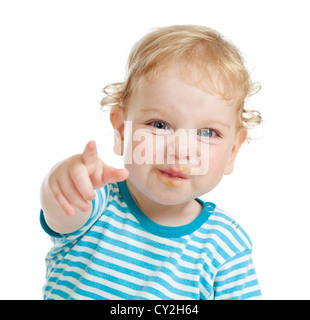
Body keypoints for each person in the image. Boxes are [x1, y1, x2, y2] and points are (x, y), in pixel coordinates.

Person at [40, 25, 262, 300]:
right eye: (159, 124)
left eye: (207, 133)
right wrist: (64, 185)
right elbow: (61, 210)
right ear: (122, 131)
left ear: (232, 152)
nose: (181, 150)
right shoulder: (96, 202)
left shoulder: (226, 248)